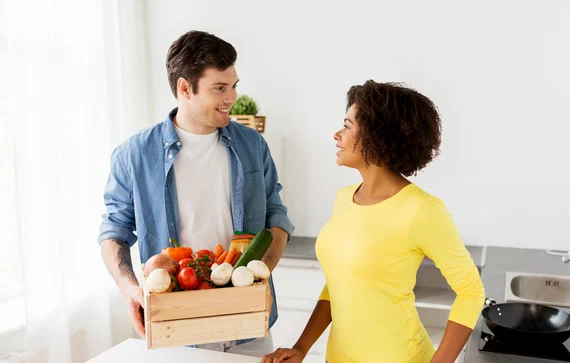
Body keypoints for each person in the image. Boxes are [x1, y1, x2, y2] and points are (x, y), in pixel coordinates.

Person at [98, 30, 294, 357]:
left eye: (234, 86)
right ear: (185, 88)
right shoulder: (134, 154)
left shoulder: (252, 144)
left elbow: (276, 214)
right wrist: (130, 289)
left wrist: (261, 274)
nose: (231, 97)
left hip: (248, 324)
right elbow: (113, 230)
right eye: (219, 88)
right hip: (177, 325)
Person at [261, 80, 485, 363]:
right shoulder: (344, 198)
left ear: (378, 136)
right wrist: (302, 348)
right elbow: (338, 284)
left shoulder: (422, 210)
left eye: (347, 126)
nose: (337, 135)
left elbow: (471, 292)